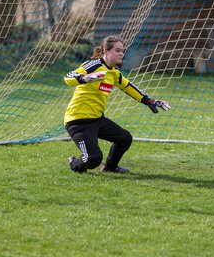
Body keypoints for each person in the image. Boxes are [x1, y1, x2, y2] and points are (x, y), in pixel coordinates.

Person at [64, 35, 171, 174]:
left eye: (122, 51)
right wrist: (84, 78)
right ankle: (74, 163)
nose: (121, 54)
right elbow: (68, 77)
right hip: (78, 121)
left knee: (125, 138)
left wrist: (148, 100)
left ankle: (110, 167)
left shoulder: (114, 73)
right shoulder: (93, 66)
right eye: (117, 50)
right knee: (93, 158)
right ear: (106, 51)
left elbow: (128, 87)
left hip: (97, 119)